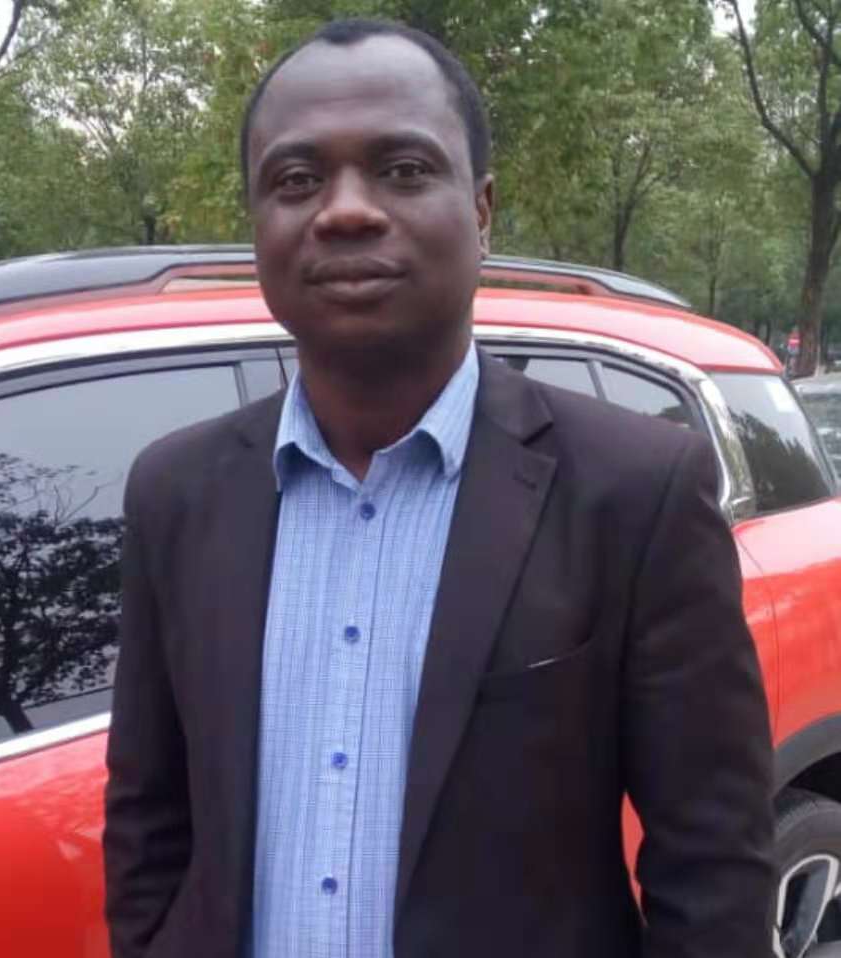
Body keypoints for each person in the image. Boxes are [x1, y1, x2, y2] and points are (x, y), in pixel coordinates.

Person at [103, 19, 774, 958]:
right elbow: (149, 816)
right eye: (295, 180)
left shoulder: (635, 491)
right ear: (257, 224)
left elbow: (713, 865)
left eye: (403, 169)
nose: (344, 211)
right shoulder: (175, 494)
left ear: (483, 211)